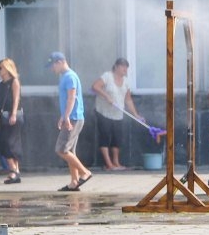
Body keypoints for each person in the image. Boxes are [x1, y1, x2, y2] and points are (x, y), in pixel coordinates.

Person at [49, 52, 93, 191]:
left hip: (74, 118)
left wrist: (67, 116)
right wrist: (63, 116)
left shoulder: (70, 77)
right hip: (72, 117)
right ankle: (74, 182)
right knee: (69, 151)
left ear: (60, 62)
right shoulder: (66, 76)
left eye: (53, 65)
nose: (52, 69)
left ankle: (84, 172)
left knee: (61, 149)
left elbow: (71, 97)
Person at [91, 58, 142, 171]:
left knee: (117, 138)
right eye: (123, 66)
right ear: (116, 67)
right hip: (103, 112)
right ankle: (108, 164)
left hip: (118, 114)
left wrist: (135, 114)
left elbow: (128, 100)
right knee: (105, 137)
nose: (125, 69)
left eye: (126, 67)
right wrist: (106, 96)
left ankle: (116, 162)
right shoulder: (107, 76)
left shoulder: (126, 81)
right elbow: (95, 86)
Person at [0, 59, 23, 184]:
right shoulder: (1, 85)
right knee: (3, 143)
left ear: (7, 68)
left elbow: (16, 99)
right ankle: (15, 171)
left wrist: (14, 114)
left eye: (0, 68)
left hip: (13, 116)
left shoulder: (14, 81)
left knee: (9, 143)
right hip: (3, 116)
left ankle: (13, 171)